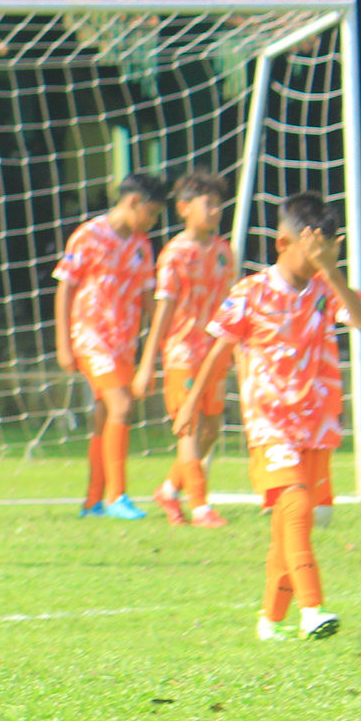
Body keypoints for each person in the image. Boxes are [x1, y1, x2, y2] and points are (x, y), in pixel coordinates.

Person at [175, 193, 361, 642]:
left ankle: (270, 619)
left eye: (327, 252)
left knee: (294, 522)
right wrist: (192, 401)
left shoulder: (327, 289)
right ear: (284, 243)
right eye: (312, 252)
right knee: (296, 506)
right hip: (269, 424)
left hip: (317, 427)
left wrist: (331, 271)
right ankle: (312, 609)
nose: (318, 261)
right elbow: (219, 349)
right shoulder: (250, 293)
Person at [53, 171, 168, 520]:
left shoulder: (142, 245)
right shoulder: (88, 236)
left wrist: (163, 340)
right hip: (91, 339)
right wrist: (64, 343)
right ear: (133, 202)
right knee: (122, 405)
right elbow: (66, 287)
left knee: (105, 419)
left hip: (123, 345)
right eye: (151, 213)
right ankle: (118, 496)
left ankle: (93, 501)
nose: (152, 222)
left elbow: (148, 297)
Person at [138, 171, 238, 528]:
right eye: (207, 204)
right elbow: (163, 311)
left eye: (218, 204)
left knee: (211, 430)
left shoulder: (224, 252)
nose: (215, 211)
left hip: (215, 353)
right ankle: (200, 506)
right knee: (190, 428)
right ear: (183, 208)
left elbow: (231, 305)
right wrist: (147, 363)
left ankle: (169, 489)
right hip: (182, 352)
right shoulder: (174, 255)